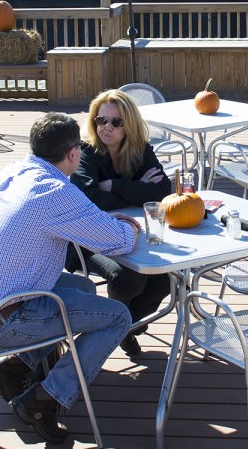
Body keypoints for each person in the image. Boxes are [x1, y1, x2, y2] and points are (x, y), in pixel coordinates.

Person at [0, 112, 140, 443]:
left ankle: (15, 369)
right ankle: (46, 400)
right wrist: (133, 226)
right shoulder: (53, 191)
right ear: (72, 154)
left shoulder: (15, 171)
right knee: (118, 317)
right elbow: (119, 240)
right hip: (5, 320)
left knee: (82, 286)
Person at [70, 89, 173, 357]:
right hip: (86, 238)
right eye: (101, 120)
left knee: (164, 282)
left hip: (130, 232)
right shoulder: (86, 152)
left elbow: (162, 191)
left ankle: (124, 329)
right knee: (129, 279)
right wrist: (138, 188)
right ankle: (112, 329)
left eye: (116, 122)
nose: (107, 127)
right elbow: (90, 198)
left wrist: (114, 185)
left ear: (129, 125)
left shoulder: (140, 150)